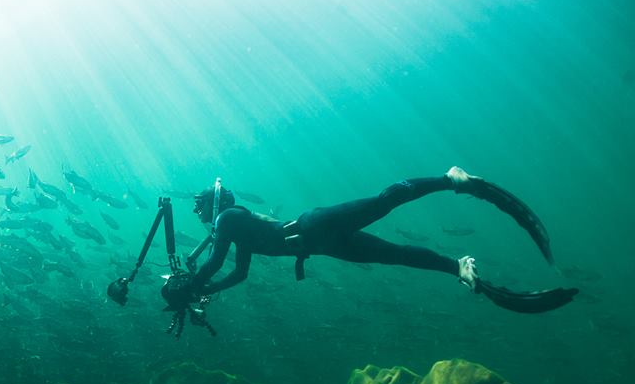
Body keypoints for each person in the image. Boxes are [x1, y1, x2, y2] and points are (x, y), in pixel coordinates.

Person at [183, 167, 578, 313]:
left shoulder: (230, 219)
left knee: (383, 202)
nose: (200, 215)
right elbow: (237, 274)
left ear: (214, 203)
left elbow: (217, 263)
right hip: (318, 245)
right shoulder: (235, 230)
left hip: (315, 225)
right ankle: (457, 268)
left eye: (200, 207)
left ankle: (452, 180)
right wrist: (206, 290)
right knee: (395, 256)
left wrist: (194, 285)